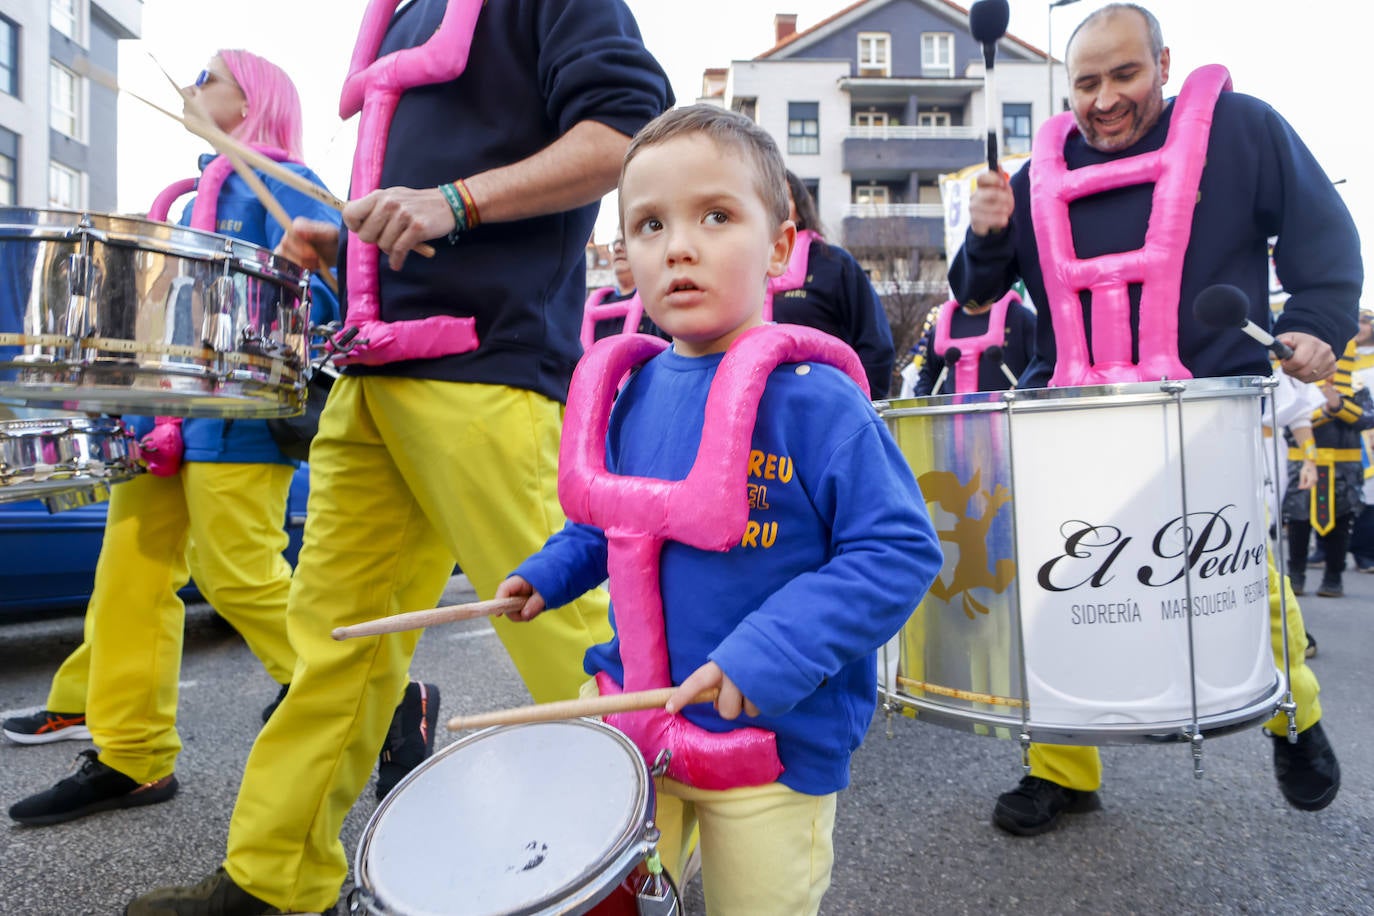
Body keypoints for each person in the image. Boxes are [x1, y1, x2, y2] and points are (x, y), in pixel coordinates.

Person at [125, 2, 672, 913]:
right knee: (333, 645)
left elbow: (628, 137)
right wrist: (347, 243)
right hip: (374, 370)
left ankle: (665, 871)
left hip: (486, 365)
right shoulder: (405, 13)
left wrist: (454, 201)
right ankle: (274, 883)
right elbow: (419, 202)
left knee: (579, 640)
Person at [494, 104, 941, 915]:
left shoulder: (819, 404)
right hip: (638, 718)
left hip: (772, 744)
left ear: (779, 247)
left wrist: (764, 653)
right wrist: (549, 574)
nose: (680, 246)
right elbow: (610, 522)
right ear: (627, 257)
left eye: (716, 216)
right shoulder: (634, 395)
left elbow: (898, 552)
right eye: (651, 225)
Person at [949, 3, 1356, 835]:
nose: (1102, 99)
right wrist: (986, 236)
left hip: (1204, 405)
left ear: (1165, 65)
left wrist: (1319, 317)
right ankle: (1060, 767)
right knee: (1056, 596)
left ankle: (1294, 717)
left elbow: (1321, 229)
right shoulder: (1037, 172)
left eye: (1123, 75)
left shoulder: (1242, 131)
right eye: (1086, 82)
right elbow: (976, 295)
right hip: (1073, 415)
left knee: (1233, 579)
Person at [4, 50, 342, 826]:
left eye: (207, 79)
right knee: (127, 581)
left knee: (238, 579)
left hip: (242, 423)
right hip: (167, 418)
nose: (191, 89)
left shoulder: (284, 181)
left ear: (254, 99)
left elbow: (328, 292)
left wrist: (307, 272)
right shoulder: (197, 195)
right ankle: (132, 756)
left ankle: (377, 705)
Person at [769, 171, 896, 398]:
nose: (775, 205)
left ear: (800, 208)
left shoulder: (834, 264)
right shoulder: (741, 269)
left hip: (826, 409)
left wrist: (855, 408)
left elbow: (876, 345)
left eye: (784, 196)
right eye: (767, 196)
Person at [1282, 342, 1374, 598]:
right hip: (1304, 460)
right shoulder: (1299, 383)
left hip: (1344, 465)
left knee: (1341, 523)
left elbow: (1367, 418)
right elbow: (1290, 418)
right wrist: (1324, 410)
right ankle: (1296, 577)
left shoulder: (1356, 386)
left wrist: (1339, 406)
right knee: (1299, 521)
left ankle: (1333, 579)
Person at [911, 291, 1036, 396]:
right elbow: (927, 379)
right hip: (952, 421)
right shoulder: (943, 324)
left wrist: (1024, 393)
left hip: (1010, 419)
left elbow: (1042, 368)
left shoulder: (1020, 318)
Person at [579, 232, 668, 347]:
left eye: (624, 242)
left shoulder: (658, 302)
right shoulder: (597, 303)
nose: (617, 248)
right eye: (615, 243)